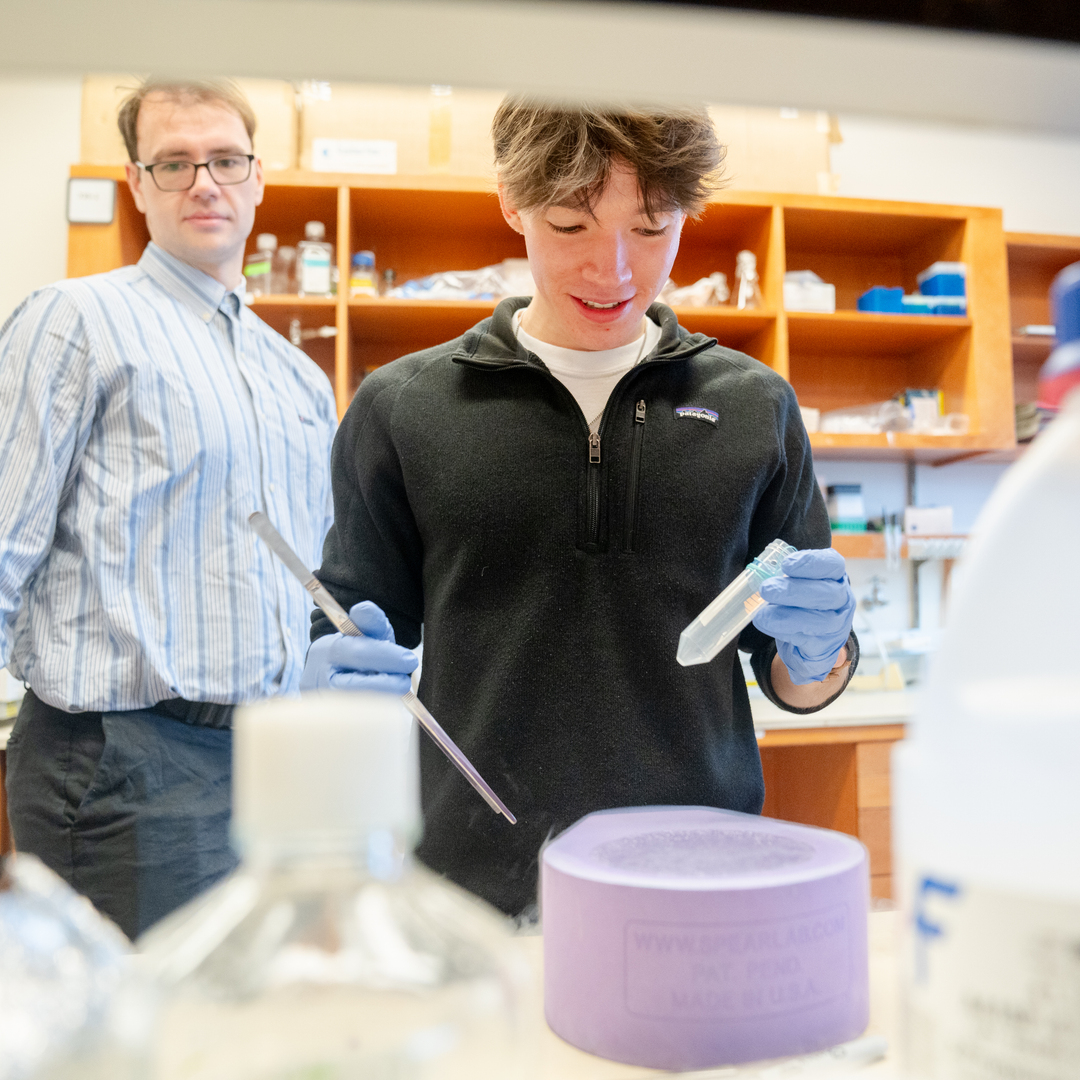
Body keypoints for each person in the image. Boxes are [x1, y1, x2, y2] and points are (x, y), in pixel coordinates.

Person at [303, 99, 858, 917]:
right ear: (511, 202)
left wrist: (821, 655)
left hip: (700, 876)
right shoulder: (403, 408)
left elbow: (794, 678)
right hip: (474, 887)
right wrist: (330, 689)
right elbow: (346, 631)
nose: (615, 270)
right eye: (570, 226)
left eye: (651, 227)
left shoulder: (753, 406)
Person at [0, 78, 337, 940]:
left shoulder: (294, 376)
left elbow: (310, 579)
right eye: (174, 163)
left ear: (258, 177)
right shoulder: (77, 320)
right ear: (137, 183)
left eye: (226, 160)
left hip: (274, 759)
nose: (205, 182)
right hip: (126, 765)